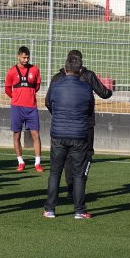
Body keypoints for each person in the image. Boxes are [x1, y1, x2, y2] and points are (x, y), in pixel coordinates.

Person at [47, 50, 112, 198]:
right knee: (86, 156)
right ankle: (78, 190)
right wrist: (109, 91)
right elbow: (104, 93)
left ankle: (69, 190)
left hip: (61, 127)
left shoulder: (57, 78)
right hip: (85, 125)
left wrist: (58, 114)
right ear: (80, 64)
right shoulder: (88, 75)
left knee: (66, 160)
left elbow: (48, 102)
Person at [43, 55, 95, 219]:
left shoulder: (56, 86)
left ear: (65, 70)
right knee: (78, 174)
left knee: (55, 172)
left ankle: (50, 209)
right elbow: (89, 109)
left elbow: (48, 103)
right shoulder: (86, 88)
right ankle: (79, 210)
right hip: (79, 135)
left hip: (58, 134)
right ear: (80, 71)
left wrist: (58, 115)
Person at [5, 46, 43, 172]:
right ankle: (20, 161)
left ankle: (37, 163)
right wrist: (17, 97)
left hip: (31, 107)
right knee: (16, 135)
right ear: (18, 56)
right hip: (17, 107)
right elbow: (7, 89)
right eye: (23, 57)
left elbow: (37, 86)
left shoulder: (35, 69)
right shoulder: (11, 71)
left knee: (35, 134)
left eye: (27, 57)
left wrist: (29, 96)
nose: (26, 60)